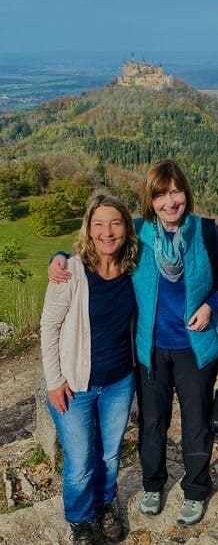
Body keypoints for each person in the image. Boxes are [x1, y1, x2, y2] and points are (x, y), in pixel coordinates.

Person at [49, 159, 218, 526]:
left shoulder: (208, 233)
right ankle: (153, 484)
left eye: (175, 192)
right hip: (148, 348)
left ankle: (196, 488)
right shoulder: (137, 232)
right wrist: (58, 259)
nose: (170, 202)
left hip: (195, 347)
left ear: (186, 195)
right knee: (152, 422)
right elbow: (98, 240)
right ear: (150, 200)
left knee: (196, 422)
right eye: (161, 194)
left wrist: (211, 305)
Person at [41, 193, 138, 544]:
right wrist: (54, 382)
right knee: (80, 461)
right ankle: (81, 521)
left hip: (119, 381)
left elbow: (162, 226)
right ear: (88, 229)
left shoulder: (133, 267)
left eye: (115, 223)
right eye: (99, 224)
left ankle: (103, 504)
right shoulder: (70, 271)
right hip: (75, 385)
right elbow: (48, 327)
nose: (107, 232)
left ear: (127, 228)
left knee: (110, 452)